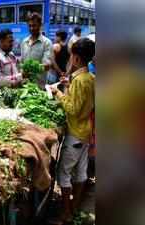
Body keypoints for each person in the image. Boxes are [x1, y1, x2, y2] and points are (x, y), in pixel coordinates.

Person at [49, 38, 95, 224]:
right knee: (81, 173)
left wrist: (57, 92)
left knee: (63, 174)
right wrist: (68, 85)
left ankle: (66, 213)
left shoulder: (79, 81)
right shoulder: (90, 77)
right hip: (86, 131)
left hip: (75, 133)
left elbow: (73, 109)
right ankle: (75, 207)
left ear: (75, 58)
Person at [20, 12, 53, 88]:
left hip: (39, 86)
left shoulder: (46, 43)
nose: (32, 28)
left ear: (40, 25)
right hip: (25, 85)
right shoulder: (24, 42)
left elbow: (47, 66)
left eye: (34, 25)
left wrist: (30, 68)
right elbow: (22, 63)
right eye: (30, 26)